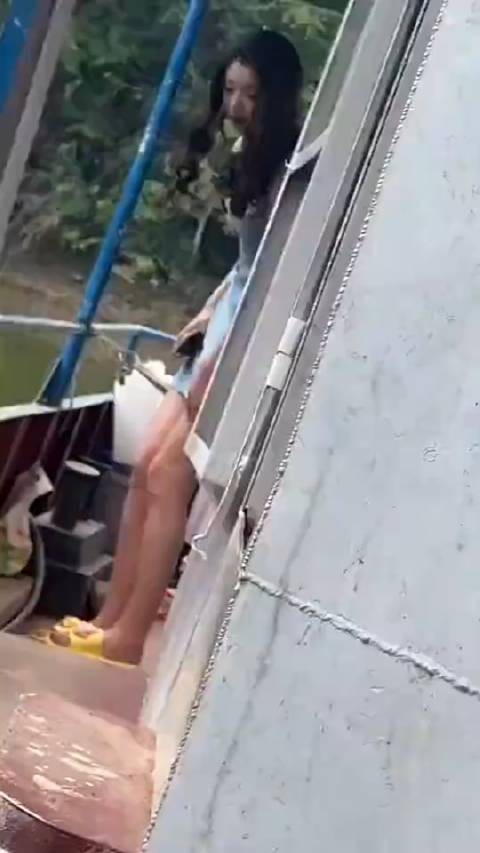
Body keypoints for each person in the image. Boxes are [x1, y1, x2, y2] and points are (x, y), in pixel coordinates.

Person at [45, 29, 303, 664]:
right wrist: (208, 314)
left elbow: (275, 275)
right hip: (222, 324)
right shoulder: (252, 154)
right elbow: (244, 266)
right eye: (231, 91)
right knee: (144, 468)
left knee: (169, 475)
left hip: (240, 340)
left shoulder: (291, 169)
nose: (236, 105)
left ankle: (130, 636)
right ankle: (109, 617)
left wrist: (222, 356)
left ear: (276, 95)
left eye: (250, 94)